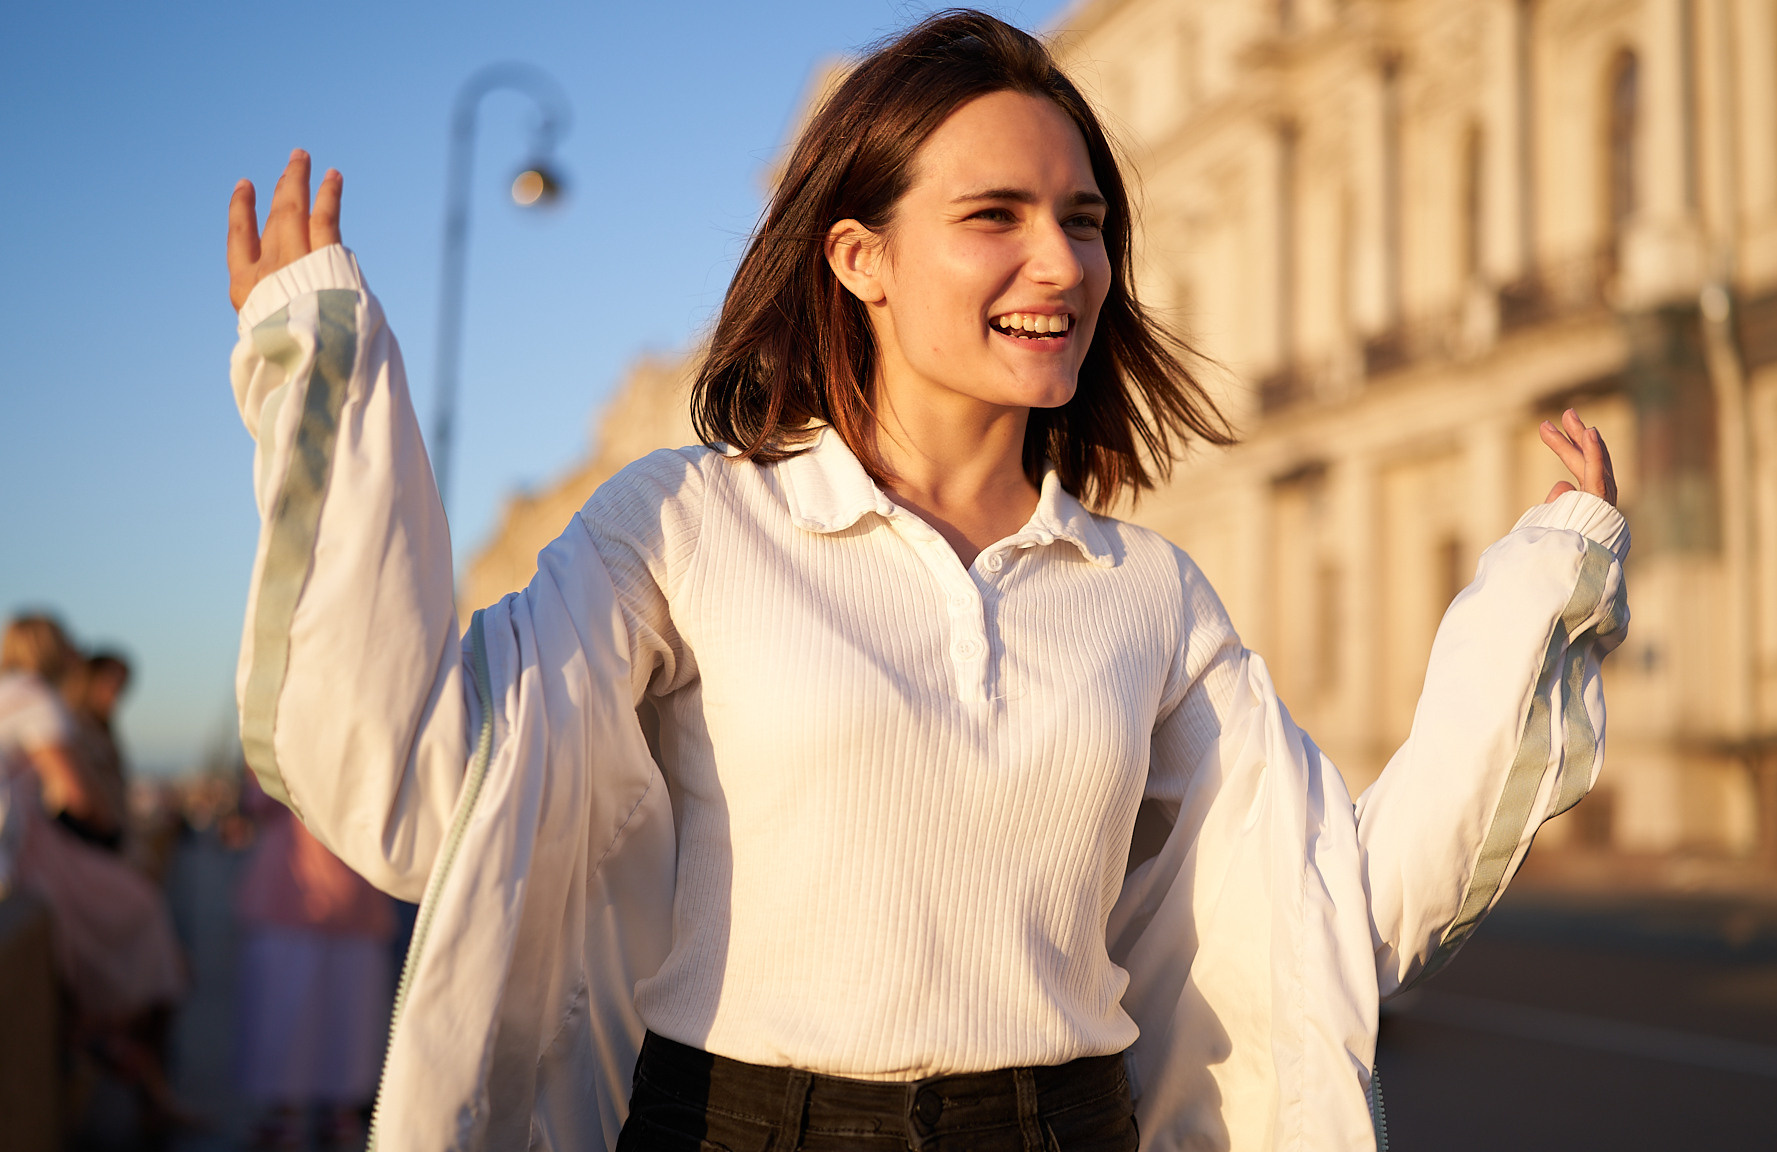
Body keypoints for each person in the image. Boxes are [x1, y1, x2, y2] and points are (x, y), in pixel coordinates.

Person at [220, 12, 1627, 1151]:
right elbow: (433, 780)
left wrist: (1531, 610)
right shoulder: (687, 527)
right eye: (995, 215)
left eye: (1084, 221)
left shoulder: (1147, 591)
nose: (1060, 262)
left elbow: (1327, 915)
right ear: (861, 258)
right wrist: (324, 395)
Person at [0, 615, 186, 1136]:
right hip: (30, 856)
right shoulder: (36, 698)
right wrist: (109, 839)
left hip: (19, 860)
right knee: (141, 911)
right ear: (56, 652)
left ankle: (104, 1043)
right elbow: (78, 793)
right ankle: (106, 1039)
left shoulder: (5, 691)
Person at [236, 772, 397, 1152]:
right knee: (349, 1018)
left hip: (291, 891)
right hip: (359, 886)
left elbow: (259, 800)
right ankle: (339, 1115)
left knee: (285, 1014)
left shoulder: (274, 717)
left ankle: (286, 1119)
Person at [59, 650, 134, 851]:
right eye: (111, 685)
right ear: (90, 682)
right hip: (88, 845)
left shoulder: (103, 730)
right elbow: (74, 796)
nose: (116, 696)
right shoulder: (73, 728)